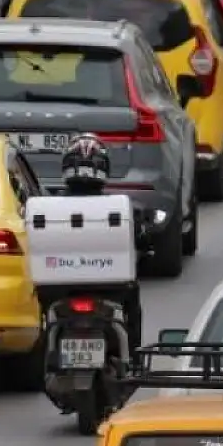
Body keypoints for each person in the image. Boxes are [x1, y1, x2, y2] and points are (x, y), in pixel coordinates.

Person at [57, 135, 144, 344]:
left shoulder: (47, 205)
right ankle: (134, 356)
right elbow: (141, 238)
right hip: (112, 288)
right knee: (132, 300)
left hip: (58, 287)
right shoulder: (120, 208)